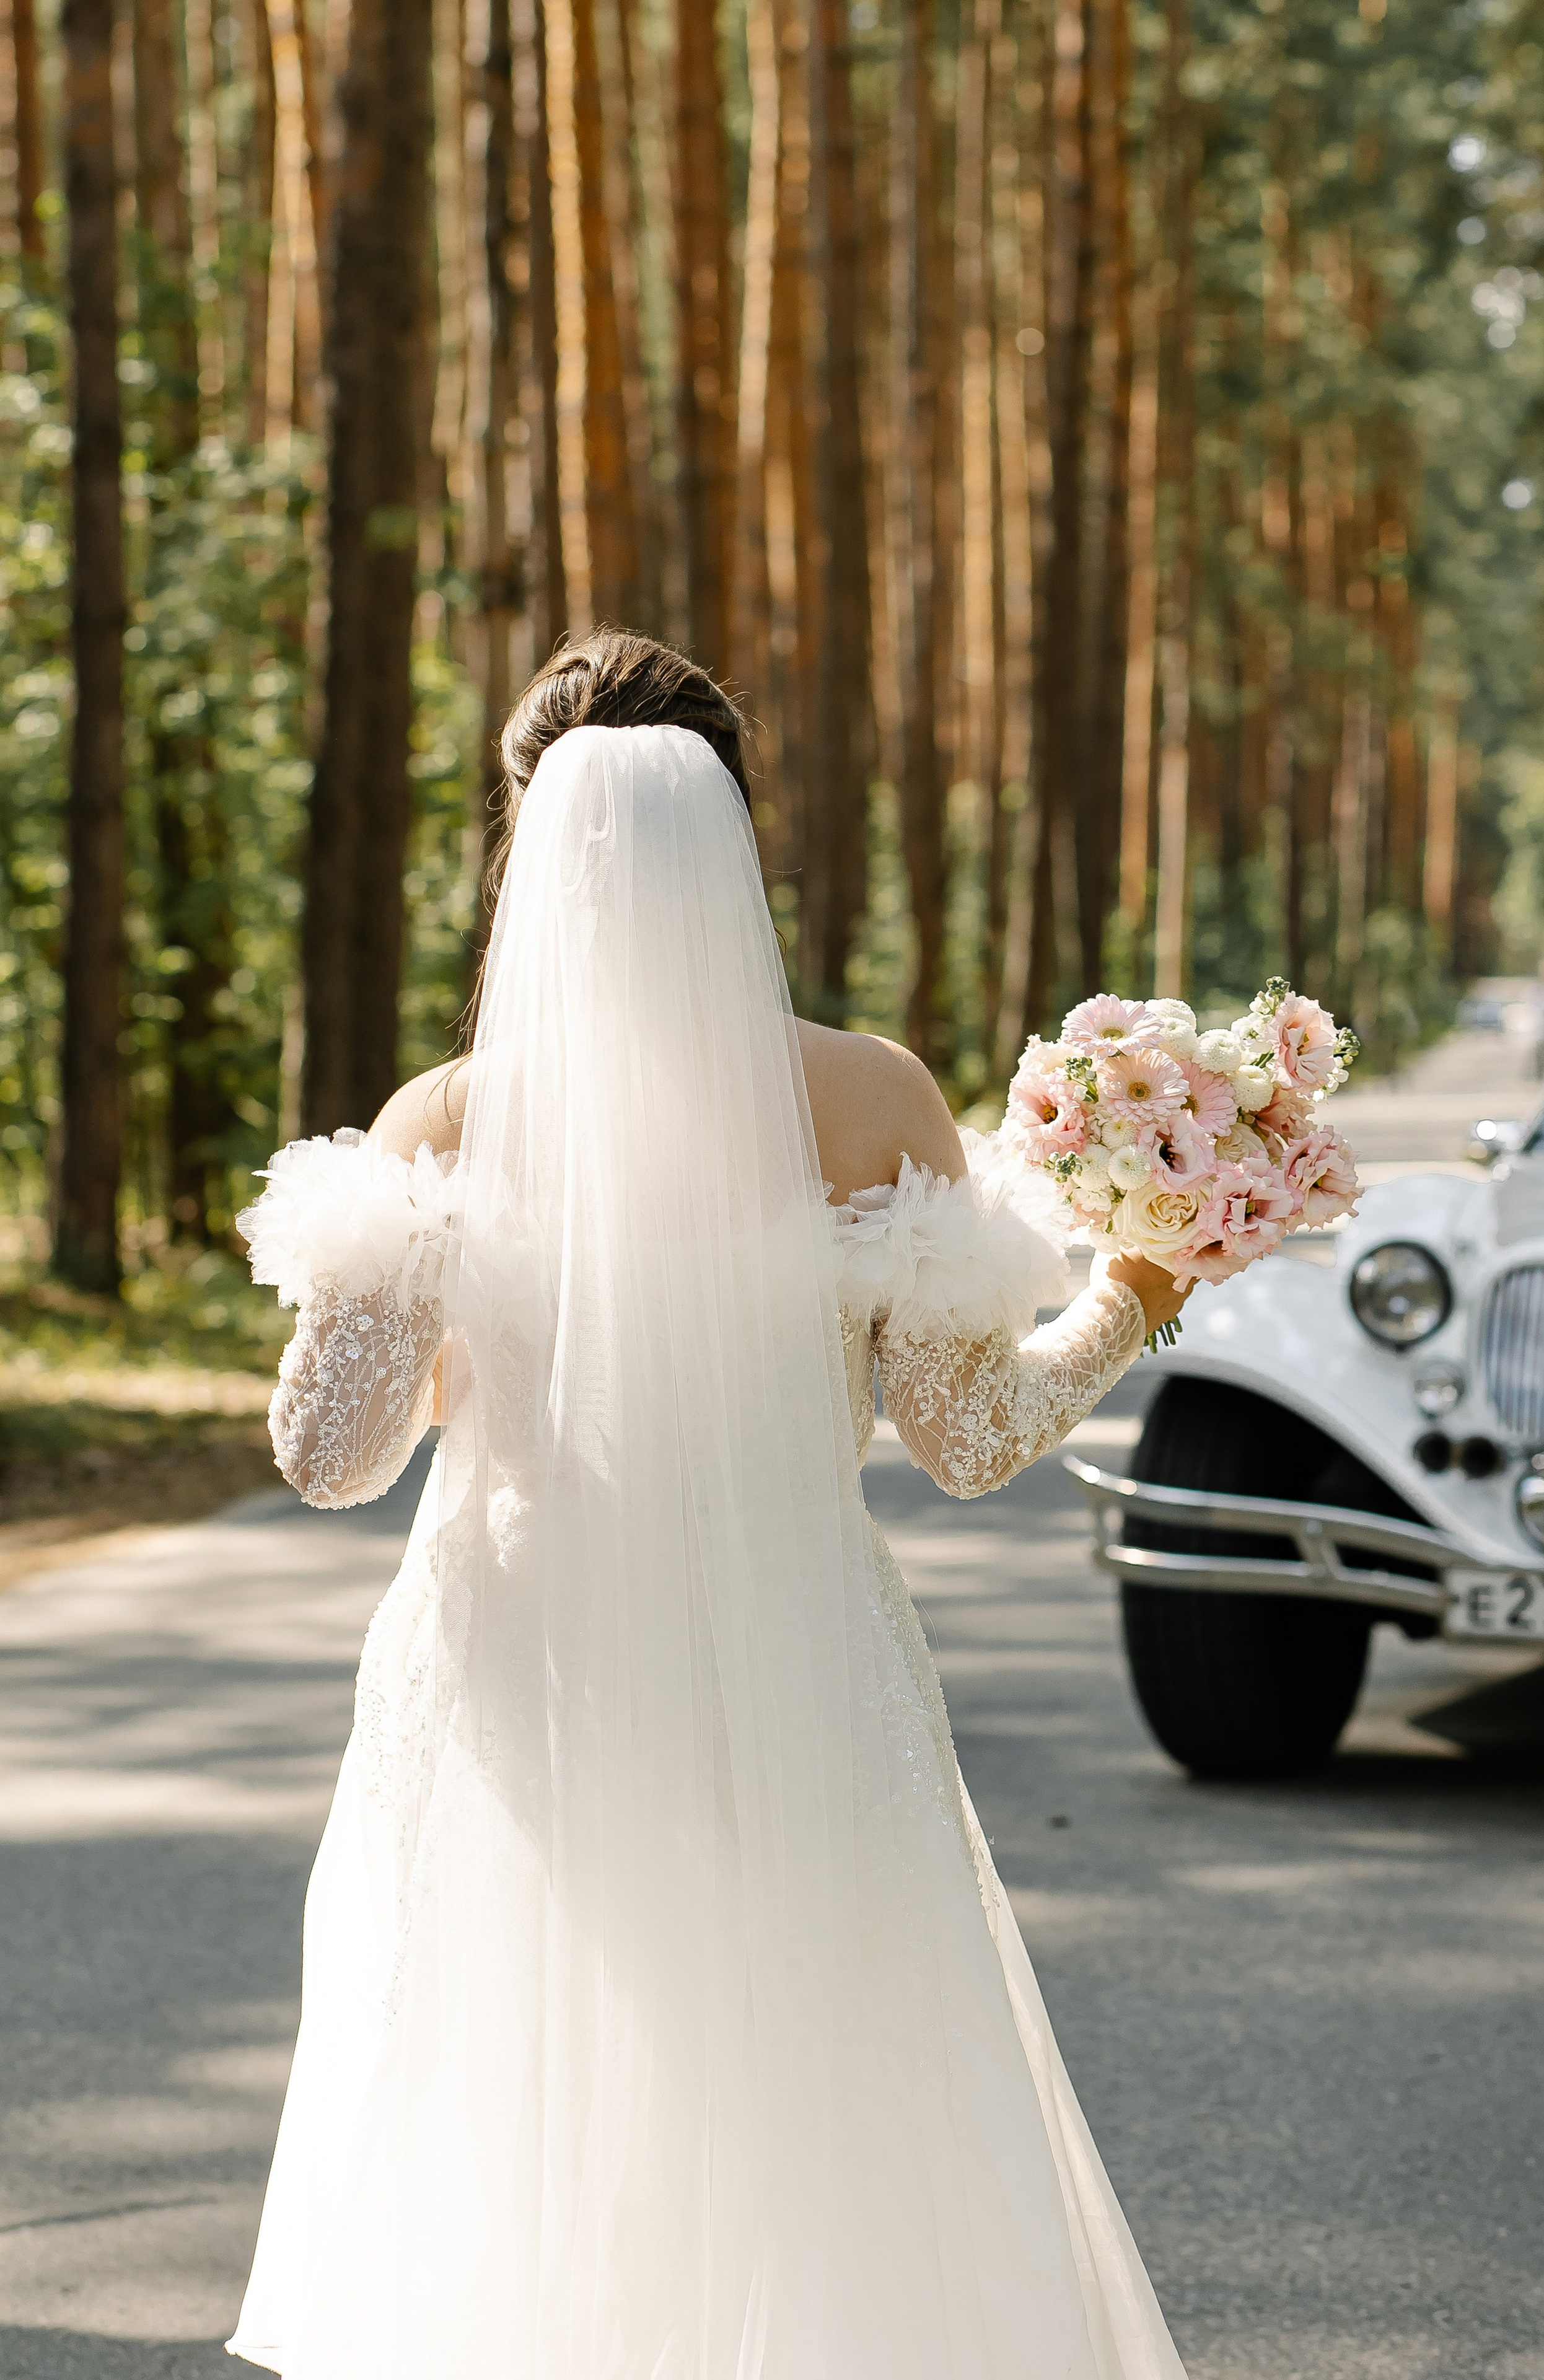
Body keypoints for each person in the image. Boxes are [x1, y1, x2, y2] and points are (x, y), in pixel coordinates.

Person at [229, 630, 1192, 2380]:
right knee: (804, 2091)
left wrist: (406, 1300)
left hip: (525, 1679)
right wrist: (1135, 1293)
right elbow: (972, 1436)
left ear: (524, 848)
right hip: (796, 1668)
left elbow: (329, 1455)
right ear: (738, 839)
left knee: (528, 2091)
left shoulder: (443, 1118)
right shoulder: (875, 1096)